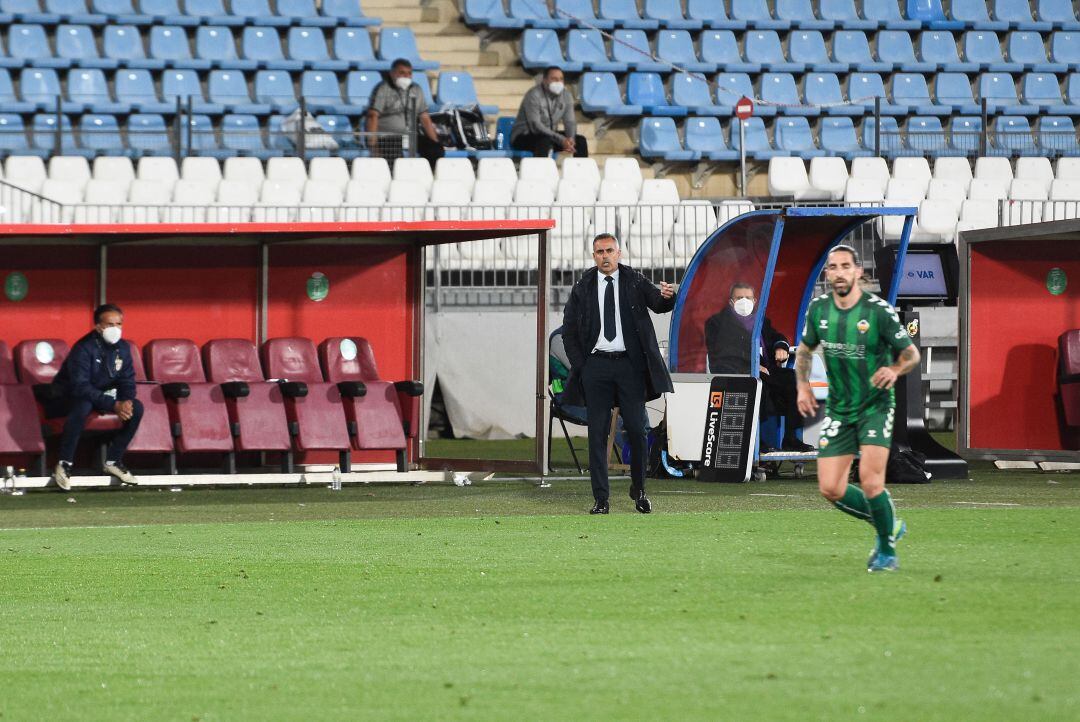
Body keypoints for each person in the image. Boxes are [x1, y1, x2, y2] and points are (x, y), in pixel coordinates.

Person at [794, 245, 920, 572]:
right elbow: (805, 350)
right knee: (830, 488)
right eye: (833, 267)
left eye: (845, 266)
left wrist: (894, 370)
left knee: (870, 481)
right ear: (828, 274)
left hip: (875, 407)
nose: (839, 272)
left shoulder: (878, 311)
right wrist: (803, 386)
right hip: (839, 409)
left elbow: (910, 355)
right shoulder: (819, 310)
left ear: (858, 271)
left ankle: (886, 549)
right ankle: (887, 521)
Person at [561, 233, 675, 514]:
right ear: (593, 256)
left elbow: (658, 304)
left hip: (629, 367)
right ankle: (601, 498)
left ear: (619, 253)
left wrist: (669, 296)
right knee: (597, 433)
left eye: (609, 250)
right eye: (599, 252)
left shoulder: (634, 280)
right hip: (595, 367)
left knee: (637, 430)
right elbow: (569, 329)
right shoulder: (583, 286)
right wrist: (582, 365)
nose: (605, 256)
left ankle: (639, 490)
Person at [704, 282, 813, 452]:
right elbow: (723, 355)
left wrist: (780, 346)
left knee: (796, 381)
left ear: (755, 301)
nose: (744, 301)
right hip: (739, 374)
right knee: (758, 384)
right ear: (731, 301)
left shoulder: (760, 320)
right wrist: (753, 366)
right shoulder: (717, 323)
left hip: (767, 372)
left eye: (748, 298)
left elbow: (777, 336)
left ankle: (791, 438)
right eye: (739, 298)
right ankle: (755, 442)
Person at [47, 304, 143, 491]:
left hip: (101, 397)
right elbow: (80, 387)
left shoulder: (123, 348)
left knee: (137, 408)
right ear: (98, 327)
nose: (115, 329)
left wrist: (126, 401)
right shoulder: (83, 348)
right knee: (83, 405)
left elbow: (127, 380)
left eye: (119, 324)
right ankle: (64, 463)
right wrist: (114, 405)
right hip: (70, 397)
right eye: (110, 324)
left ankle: (113, 460)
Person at [366, 58, 445, 169]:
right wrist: (373, 145)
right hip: (388, 137)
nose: (406, 76)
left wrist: (435, 140)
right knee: (395, 156)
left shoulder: (416, 89)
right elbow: (372, 116)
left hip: (410, 135)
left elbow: (424, 117)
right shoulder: (382, 89)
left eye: (409, 73)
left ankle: (428, 177)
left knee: (435, 150)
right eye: (401, 73)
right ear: (392, 73)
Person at [510, 67, 588, 159]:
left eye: (561, 79)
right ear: (544, 80)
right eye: (554, 79)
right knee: (544, 140)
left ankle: (580, 172)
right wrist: (561, 140)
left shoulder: (566, 95)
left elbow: (570, 121)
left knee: (580, 141)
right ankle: (542, 172)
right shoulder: (533, 95)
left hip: (550, 135)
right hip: (524, 135)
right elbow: (536, 126)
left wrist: (570, 139)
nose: (558, 82)